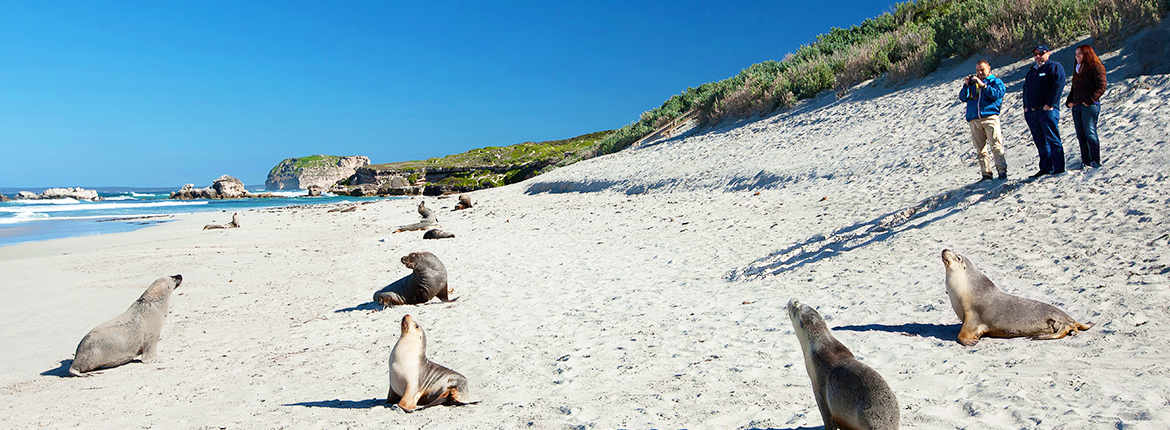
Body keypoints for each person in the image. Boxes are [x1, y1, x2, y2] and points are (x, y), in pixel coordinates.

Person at [959, 59, 1008, 181]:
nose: (979, 72)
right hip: (975, 119)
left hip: (990, 117)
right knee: (980, 149)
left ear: (989, 69)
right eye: (977, 70)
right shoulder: (973, 84)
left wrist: (983, 86)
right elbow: (962, 97)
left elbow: (997, 95)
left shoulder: (995, 82)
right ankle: (986, 173)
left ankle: (1001, 170)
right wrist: (966, 85)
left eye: (982, 70)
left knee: (996, 145)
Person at [1023, 44, 1067, 177]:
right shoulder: (1032, 71)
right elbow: (1026, 89)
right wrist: (1026, 107)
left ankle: (1059, 167)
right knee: (1040, 141)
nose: (1037, 56)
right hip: (1032, 111)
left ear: (1048, 53)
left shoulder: (1054, 67)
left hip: (1047, 110)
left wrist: (1050, 104)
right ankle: (1046, 168)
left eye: (1040, 53)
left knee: (1053, 139)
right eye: (1035, 54)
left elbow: (1059, 85)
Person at [1065, 44, 1107, 168]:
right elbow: (1074, 87)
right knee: (1080, 134)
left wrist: (1089, 100)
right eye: (1076, 54)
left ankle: (1095, 160)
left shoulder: (1096, 67)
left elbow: (1101, 86)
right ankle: (1085, 160)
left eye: (1079, 54)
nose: (1077, 56)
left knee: (1090, 132)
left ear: (1086, 54)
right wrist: (1069, 101)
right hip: (1077, 106)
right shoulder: (1077, 68)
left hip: (1090, 105)